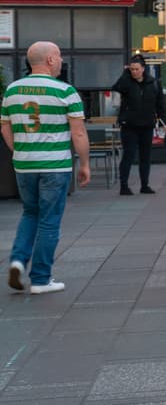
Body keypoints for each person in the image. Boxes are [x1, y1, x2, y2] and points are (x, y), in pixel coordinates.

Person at [5, 42, 90, 295]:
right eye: (60, 56)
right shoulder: (66, 91)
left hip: (24, 164)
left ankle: (18, 261)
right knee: (49, 221)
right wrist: (84, 163)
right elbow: (79, 132)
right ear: (51, 60)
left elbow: (5, 128)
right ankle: (41, 279)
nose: (62, 61)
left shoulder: (12, 90)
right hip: (55, 165)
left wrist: (19, 152)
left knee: (30, 213)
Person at [113, 54, 166, 195]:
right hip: (129, 125)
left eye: (137, 69)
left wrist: (164, 122)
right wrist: (125, 73)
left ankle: (145, 185)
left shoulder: (154, 83)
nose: (134, 72)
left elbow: (160, 105)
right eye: (131, 69)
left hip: (147, 125)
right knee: (129, 155)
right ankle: (124, 186)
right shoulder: (127, 82)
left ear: (143, 69)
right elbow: (117, 87)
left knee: (146, 156)